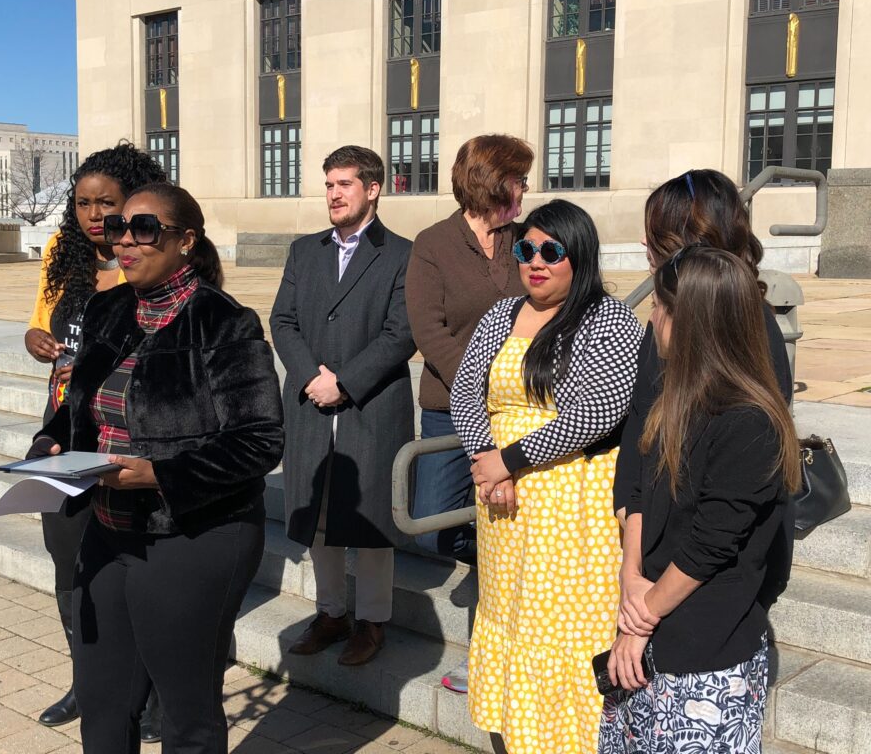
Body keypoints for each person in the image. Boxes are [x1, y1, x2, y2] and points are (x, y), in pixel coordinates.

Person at [33, 182, 284, 753]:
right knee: (102, 700)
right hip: (106, 528)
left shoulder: (225, 324)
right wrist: (52, 445)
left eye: (144, 229)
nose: (125, 240)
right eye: (119, 228)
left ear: (185, 241)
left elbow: (260, 442)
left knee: (184, 711)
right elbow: (77, 410)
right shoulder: (108, 308)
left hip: (192, 537)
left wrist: (160, 475)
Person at [450, 199, 643, 754]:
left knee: (559, 629)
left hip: (571, 506)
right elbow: (467, 392)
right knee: (510, 616)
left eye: (551, 251)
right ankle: (516, 731)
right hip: (503, 507)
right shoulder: (501, 314)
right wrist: (488, 458)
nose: (536, 262)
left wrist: (511, 459)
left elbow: (597, 412)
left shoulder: (609, 320)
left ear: (578, 256)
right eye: (526, 249)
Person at [597, 245, 800, 753]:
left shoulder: (750, 424)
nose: (652, 316)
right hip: (649, 622)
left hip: (704, 648)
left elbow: (708, 546)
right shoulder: (674, 398)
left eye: (662, 308)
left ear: (693, 323)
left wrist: (640, 619)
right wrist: (630, 574)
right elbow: (640, 489)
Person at [23, 143, 168, 733]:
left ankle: (154, 691)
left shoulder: (149, 256)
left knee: (137, 574)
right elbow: (42, 319)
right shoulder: (63, 253)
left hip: (128, 442)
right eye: (82, 202)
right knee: (70, 569)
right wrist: (35, 340)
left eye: (105, 203)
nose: (91, 215)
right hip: (63, 432)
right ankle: (88, 682)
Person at [612, 169, 793, 607]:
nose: (643, 244)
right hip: (652, 546)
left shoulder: (750, 327)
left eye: (654, 233)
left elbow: (729, 495)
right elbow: (640, 433)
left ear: (686, 237)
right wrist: (631, 567)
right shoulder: (663, 326)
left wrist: (649, 601)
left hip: (709, 572)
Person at [271, 145, 415, 667]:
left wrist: (346, 382)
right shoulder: (303, 251)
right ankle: (331, 613)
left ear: (373, 189)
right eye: (328, 184)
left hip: (370, 405)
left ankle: (372, 623)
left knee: (373, 520)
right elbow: (282, 322)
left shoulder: (402, 253)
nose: (333, 193)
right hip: (311, 404)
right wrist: (311, 377)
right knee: (319, 516)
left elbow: (403, 333)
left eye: (344, 184)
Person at [406, 133, 534, 694]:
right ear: (494, 181)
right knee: (435, 523)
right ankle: (487, 560)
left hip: (516, 412)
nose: (526, 188)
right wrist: (480, 380)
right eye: (519, 179)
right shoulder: (433, 243)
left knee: (503, 527)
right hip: (450, 408)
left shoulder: (524, 240)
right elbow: (428, 330)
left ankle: (490, 650)